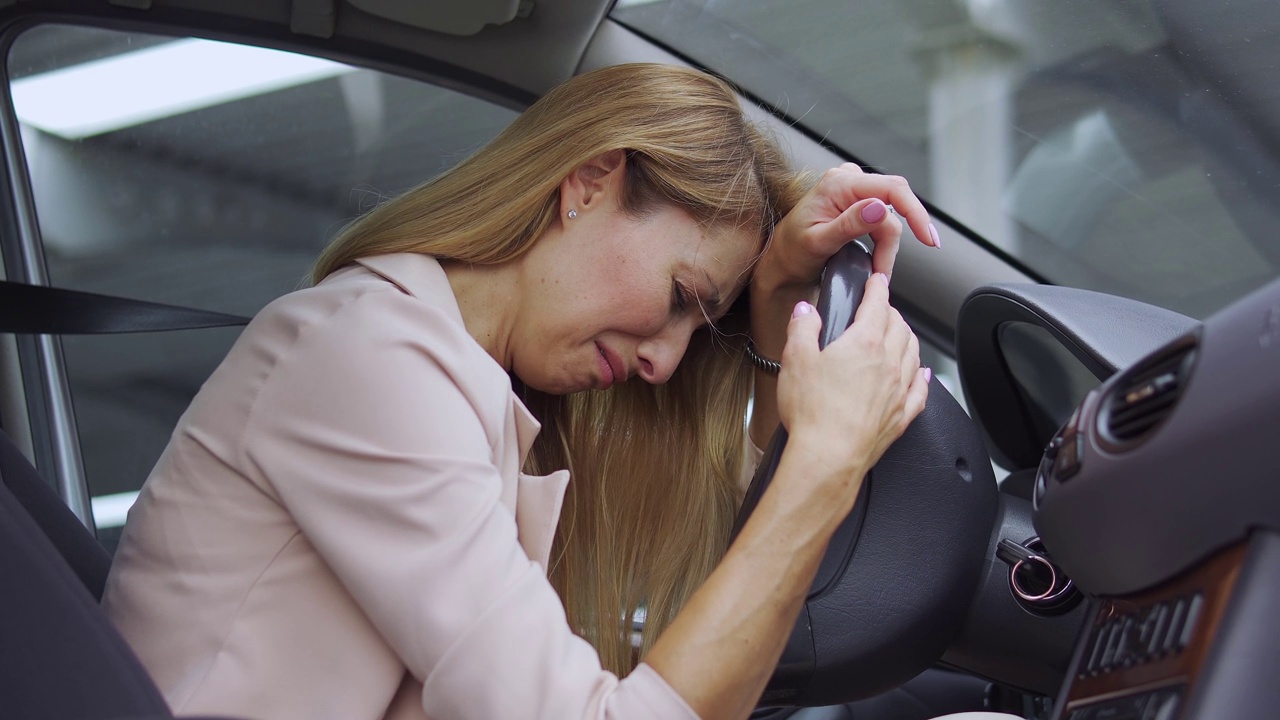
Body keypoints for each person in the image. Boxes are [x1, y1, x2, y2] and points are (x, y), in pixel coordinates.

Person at [101, 64, 1012, 720]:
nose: (666, 360)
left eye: (700, 331)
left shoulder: (472, 394)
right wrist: (826, 457)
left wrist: (773, 306)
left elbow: (727, 580)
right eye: (682, 301)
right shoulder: (368, 355)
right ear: (588, 185)